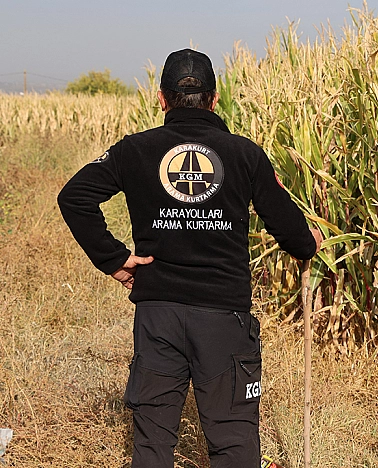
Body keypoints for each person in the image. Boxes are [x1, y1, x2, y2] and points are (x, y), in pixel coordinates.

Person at [57, 48, 322, 467]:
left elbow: (74, 197)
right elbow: (296, 238)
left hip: (157, 316)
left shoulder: (135, 150)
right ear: (215, 99)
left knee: (152, 442)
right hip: (223, 320)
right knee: (233, 440)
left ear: (161, 99)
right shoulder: (244, 154)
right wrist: (310, 241)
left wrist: (114, 259)